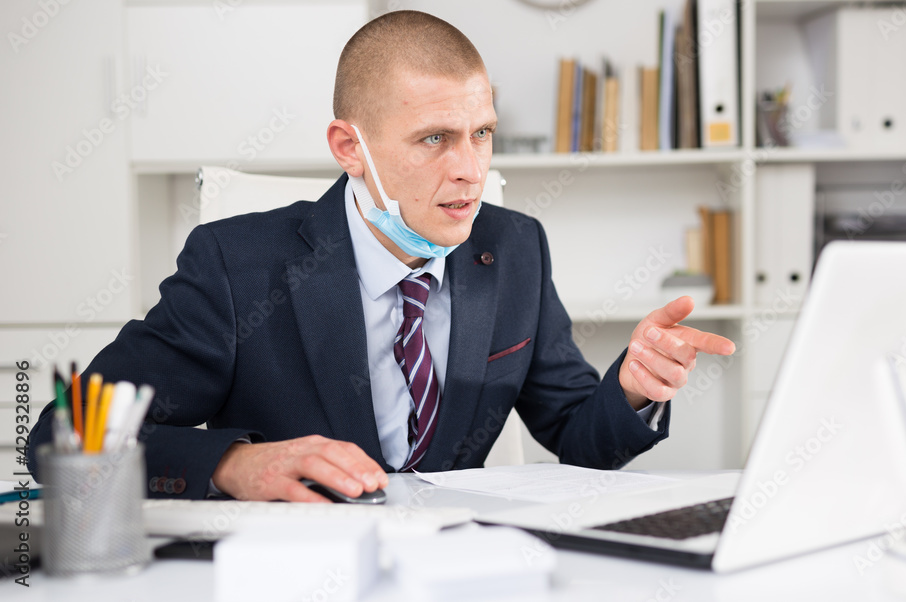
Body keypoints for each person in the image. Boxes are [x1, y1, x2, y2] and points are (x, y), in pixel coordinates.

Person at [28, 11, 734, 502]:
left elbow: (580, 440)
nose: (471, 170)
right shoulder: (234, 265)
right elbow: (64, 436)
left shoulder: (516, 247)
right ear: (349, 148)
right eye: (435, 139)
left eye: (481, 133)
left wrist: (632, 387)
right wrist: (235, 464)